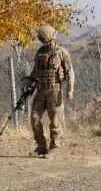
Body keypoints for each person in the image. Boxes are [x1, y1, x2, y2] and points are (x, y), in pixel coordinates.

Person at [26, 24, 74, 157]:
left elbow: (70, 72)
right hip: (41, 90)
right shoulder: (40, 52)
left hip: (55, 90)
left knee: (55, 121)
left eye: (44, 38)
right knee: (34, 118)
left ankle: (55, 147)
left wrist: (70, 90)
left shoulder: (61, 52)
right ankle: (41, 146)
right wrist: (29, 82)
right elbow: (35, 71)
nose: (43, 41)